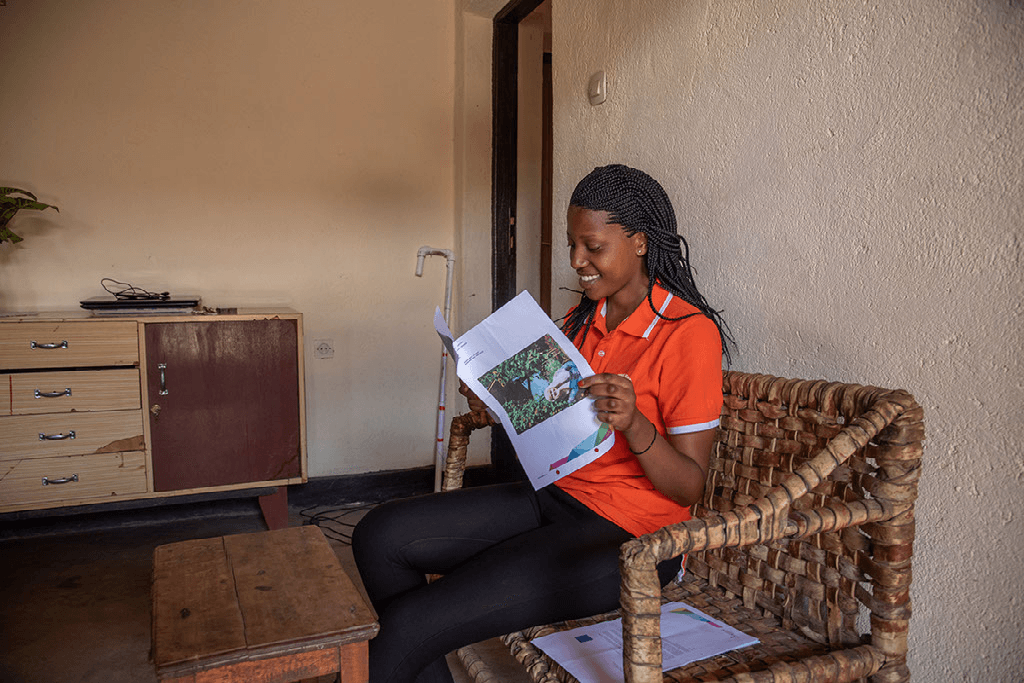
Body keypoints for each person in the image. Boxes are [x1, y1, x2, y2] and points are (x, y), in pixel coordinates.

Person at [351, 164, 732, 683]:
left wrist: (636, 424)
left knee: (413, 623)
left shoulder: (687, 333)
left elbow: (689, 485)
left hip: (632, 537)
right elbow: (555, 429)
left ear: (639, 242)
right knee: (379, 536)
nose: (577, 261)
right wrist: (497, 403)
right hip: (554, 495)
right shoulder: (581, 322)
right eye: (573, 245)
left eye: (592, 247)